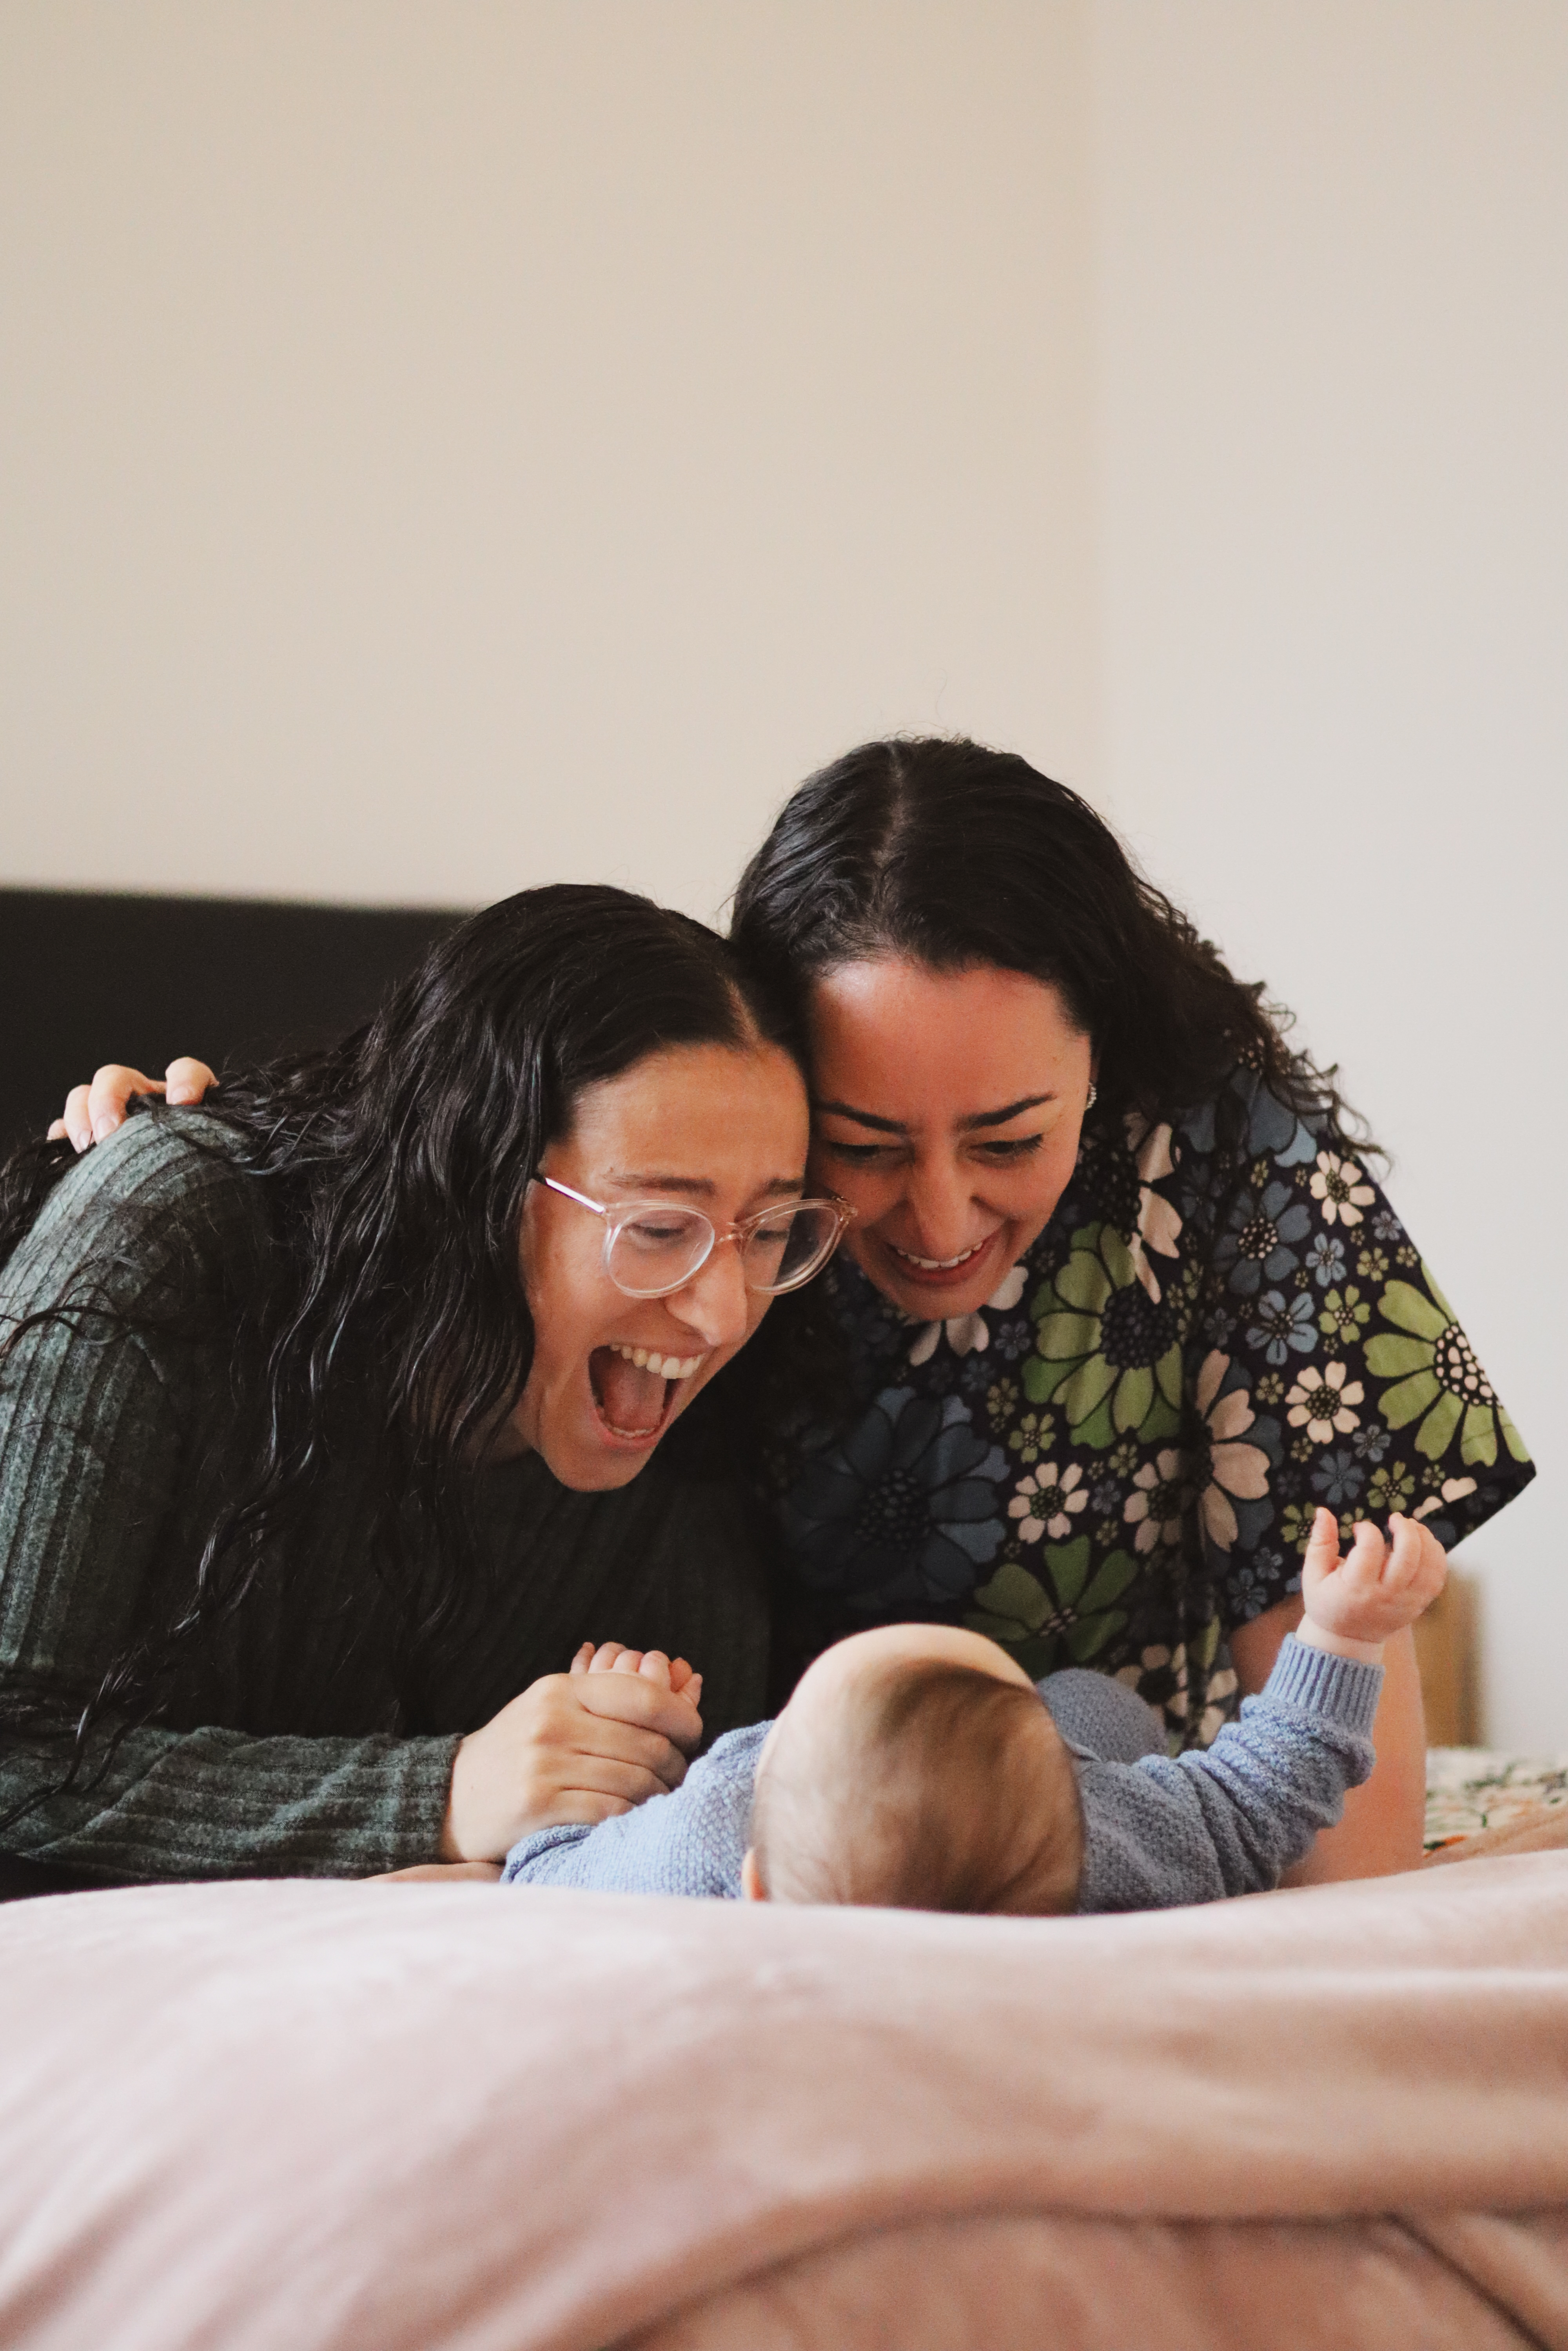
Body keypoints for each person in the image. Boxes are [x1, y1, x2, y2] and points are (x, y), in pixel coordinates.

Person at [55, 737, 1535, 1881]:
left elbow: (1340, 1739)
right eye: (863, 1146)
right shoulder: (650, 1245)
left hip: (1101, 1808)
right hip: (775, 1808)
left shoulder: (1230, 1173)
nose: (938, 1223)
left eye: (1011, 1139)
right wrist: (218, 1169)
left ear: (1103, 1065)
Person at [0, 885, 853, 1889]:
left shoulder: (696, 1473)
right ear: (470, 1184)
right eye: (659, 1229)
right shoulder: (175, 1231)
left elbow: (690, 1863)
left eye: (768, 1231)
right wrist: (439, 1799)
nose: (723, 1314)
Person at [492, 1505, 1440, 1912]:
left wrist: (618, 1727)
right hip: (1058, 1758)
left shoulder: (705, 1832)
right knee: (1094, 1701)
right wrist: (1339, 1635)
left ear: (754, 1889)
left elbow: (543, 1876)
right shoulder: (1098, 1836)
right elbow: (1261, 1792)